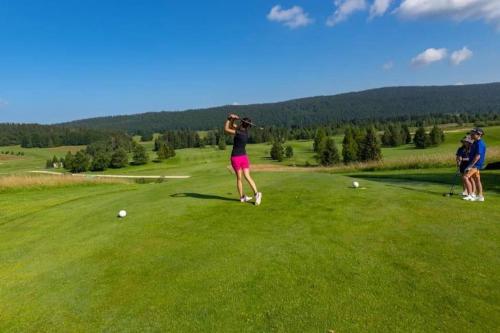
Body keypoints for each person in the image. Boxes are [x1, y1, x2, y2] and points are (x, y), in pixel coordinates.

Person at [224, 114, 262, 205]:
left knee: (239, 178)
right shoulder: (244, 132)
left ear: (242, 123)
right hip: (244, 157)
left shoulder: (238, 132)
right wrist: (233, 119)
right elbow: (232, 126)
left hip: (235, 158)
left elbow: (227, 129)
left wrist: (229, 118)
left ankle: (242, 197)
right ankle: (256, 194)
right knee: (247, 176)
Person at [463, 128, 486, 202]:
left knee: (465, 177)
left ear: (479, 135)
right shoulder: (475, 142)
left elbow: (477, 156)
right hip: (475, 164)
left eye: (473, 133)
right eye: (471, 133)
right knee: (477, 180)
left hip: (475, 165)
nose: (471, 135)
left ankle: (470, 195)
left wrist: (470, 166)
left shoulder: (480, 143)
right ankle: (480, 196)